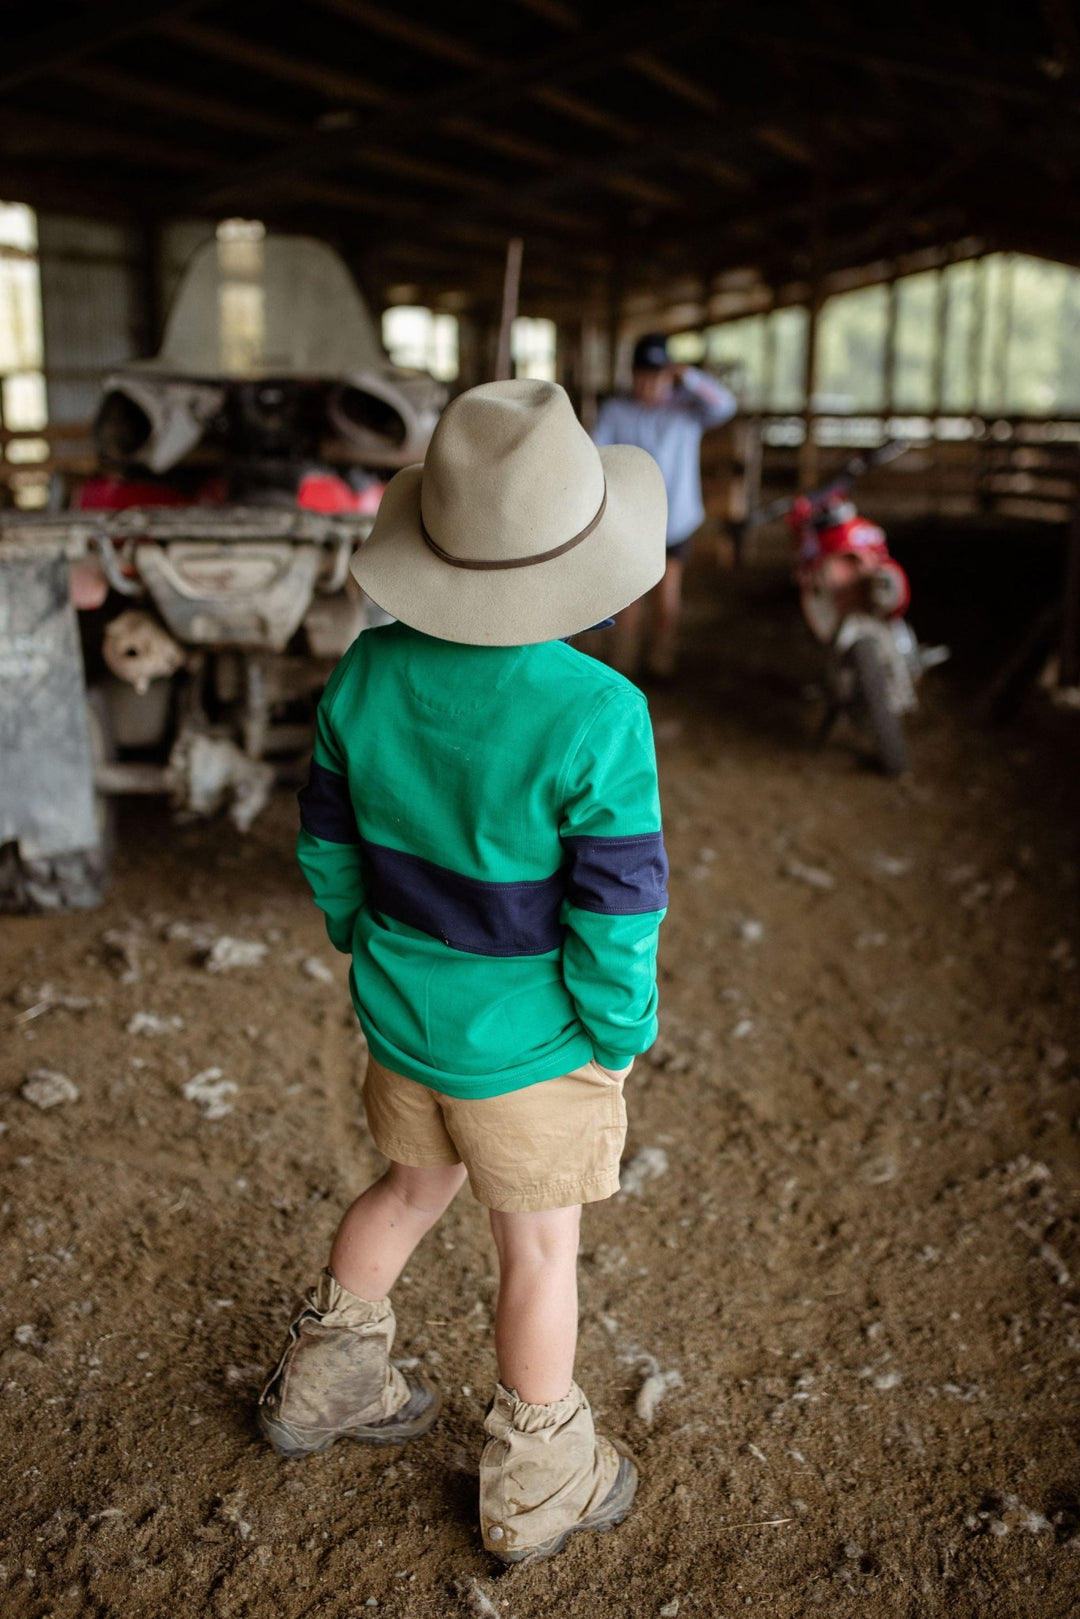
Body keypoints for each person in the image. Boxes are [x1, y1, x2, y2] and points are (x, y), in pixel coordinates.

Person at [257, 379, 669, 1566]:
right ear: (578, 557)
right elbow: (617, 904)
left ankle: (326, 1383)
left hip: (403, 1019)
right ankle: (543, 1472)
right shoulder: (598, 711)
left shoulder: (368, 672)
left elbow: (326, 839)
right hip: (532, 1046)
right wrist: (617, 1026)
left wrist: (357, 935)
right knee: (536, 1251)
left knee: (404, 1188)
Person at [591, 332, 736, 679]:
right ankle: (623, 667)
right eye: (642, 376)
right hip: (631, 519)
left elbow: (726, 405)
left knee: (668, 591)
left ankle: (661, 662)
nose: (648, 384)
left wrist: (689, 376)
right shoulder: (616, 410)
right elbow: (597, 452)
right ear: (632, 375)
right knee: (629, 596)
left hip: (675, 520)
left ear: (668, 375)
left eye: (656, 376)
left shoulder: (687, 409)